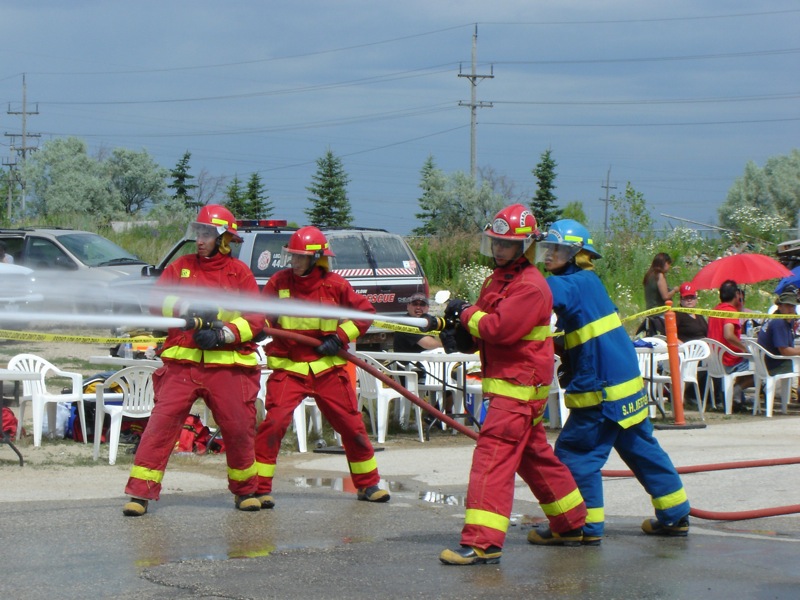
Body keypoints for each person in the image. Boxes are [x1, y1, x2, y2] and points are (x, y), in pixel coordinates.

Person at [432, 204, 587, 566]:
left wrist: (465, 312)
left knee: (492, 460)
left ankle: (483, 543)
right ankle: (571, 523)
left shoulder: (531, 286)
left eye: (505, 244)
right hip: (508, 387)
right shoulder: (496, 281)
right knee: (534, 458)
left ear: (525, 246)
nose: (498, 250)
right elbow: (482, 330)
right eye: (494, 242)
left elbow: (497, 328)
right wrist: (457, 334)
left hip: (516, 389)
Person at [528, 219, 690, 546]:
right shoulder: (590, 283)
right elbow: (588, 331)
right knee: (642, 449)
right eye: (547, 248)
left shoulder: (570, 284)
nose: (548, 255)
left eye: (556, 249)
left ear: (576, 254)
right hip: (626, 386)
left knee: (576, 454)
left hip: (602, 391)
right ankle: (676, 515)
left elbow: (533, 293)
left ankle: (585, 526)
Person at [123, 205, 265, 516]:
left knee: (239, 428)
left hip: (227, 366)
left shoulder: (239, 273)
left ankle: (245, 491)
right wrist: (184, 306)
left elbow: (255, 319)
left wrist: (223, 335)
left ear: (223, 239)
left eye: (206, 234)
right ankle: (139, 493)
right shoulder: (181, 267)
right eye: (198, 233)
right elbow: (156, 302)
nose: (200, 240)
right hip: (182, 365)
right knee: (159, 427)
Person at [254, 226, 390, 508]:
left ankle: (368, 485)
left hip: (328, 369)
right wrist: (259, 328)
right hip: (291, 368)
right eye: (292, 256)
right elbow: (261, 315)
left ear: (317, 258)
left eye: (300, 257)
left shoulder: (336, 285)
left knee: (352, 426)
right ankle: (259, 488)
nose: (294, 262)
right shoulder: (279, 283)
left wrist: (339, 337)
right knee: (274, 424)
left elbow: (364, 315)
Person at [707, 279, 755, 412]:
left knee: (748, 361)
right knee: (761, 366)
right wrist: (743, 348)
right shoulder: (730, 311)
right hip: (728, 361)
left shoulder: (715, 310)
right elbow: (728, 334)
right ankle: (734, 391)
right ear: (736, 295)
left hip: (714, 360)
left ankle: (735, 399)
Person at [757, 290, 800, 374]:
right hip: (773, 364)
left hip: (766, 361)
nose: (791, 309)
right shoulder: (779, 322)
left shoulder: (778, 318)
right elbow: (785, 351)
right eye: (788, 305)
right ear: (780, 306)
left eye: (793, 306)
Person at [639, 252, 679, 336]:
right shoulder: (660, 276)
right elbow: (665, 296)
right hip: (660, 315)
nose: (669, 267)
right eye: (668, 264)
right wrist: (674, 290)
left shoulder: (649, 275)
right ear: (663, 263)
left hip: (651, 313)